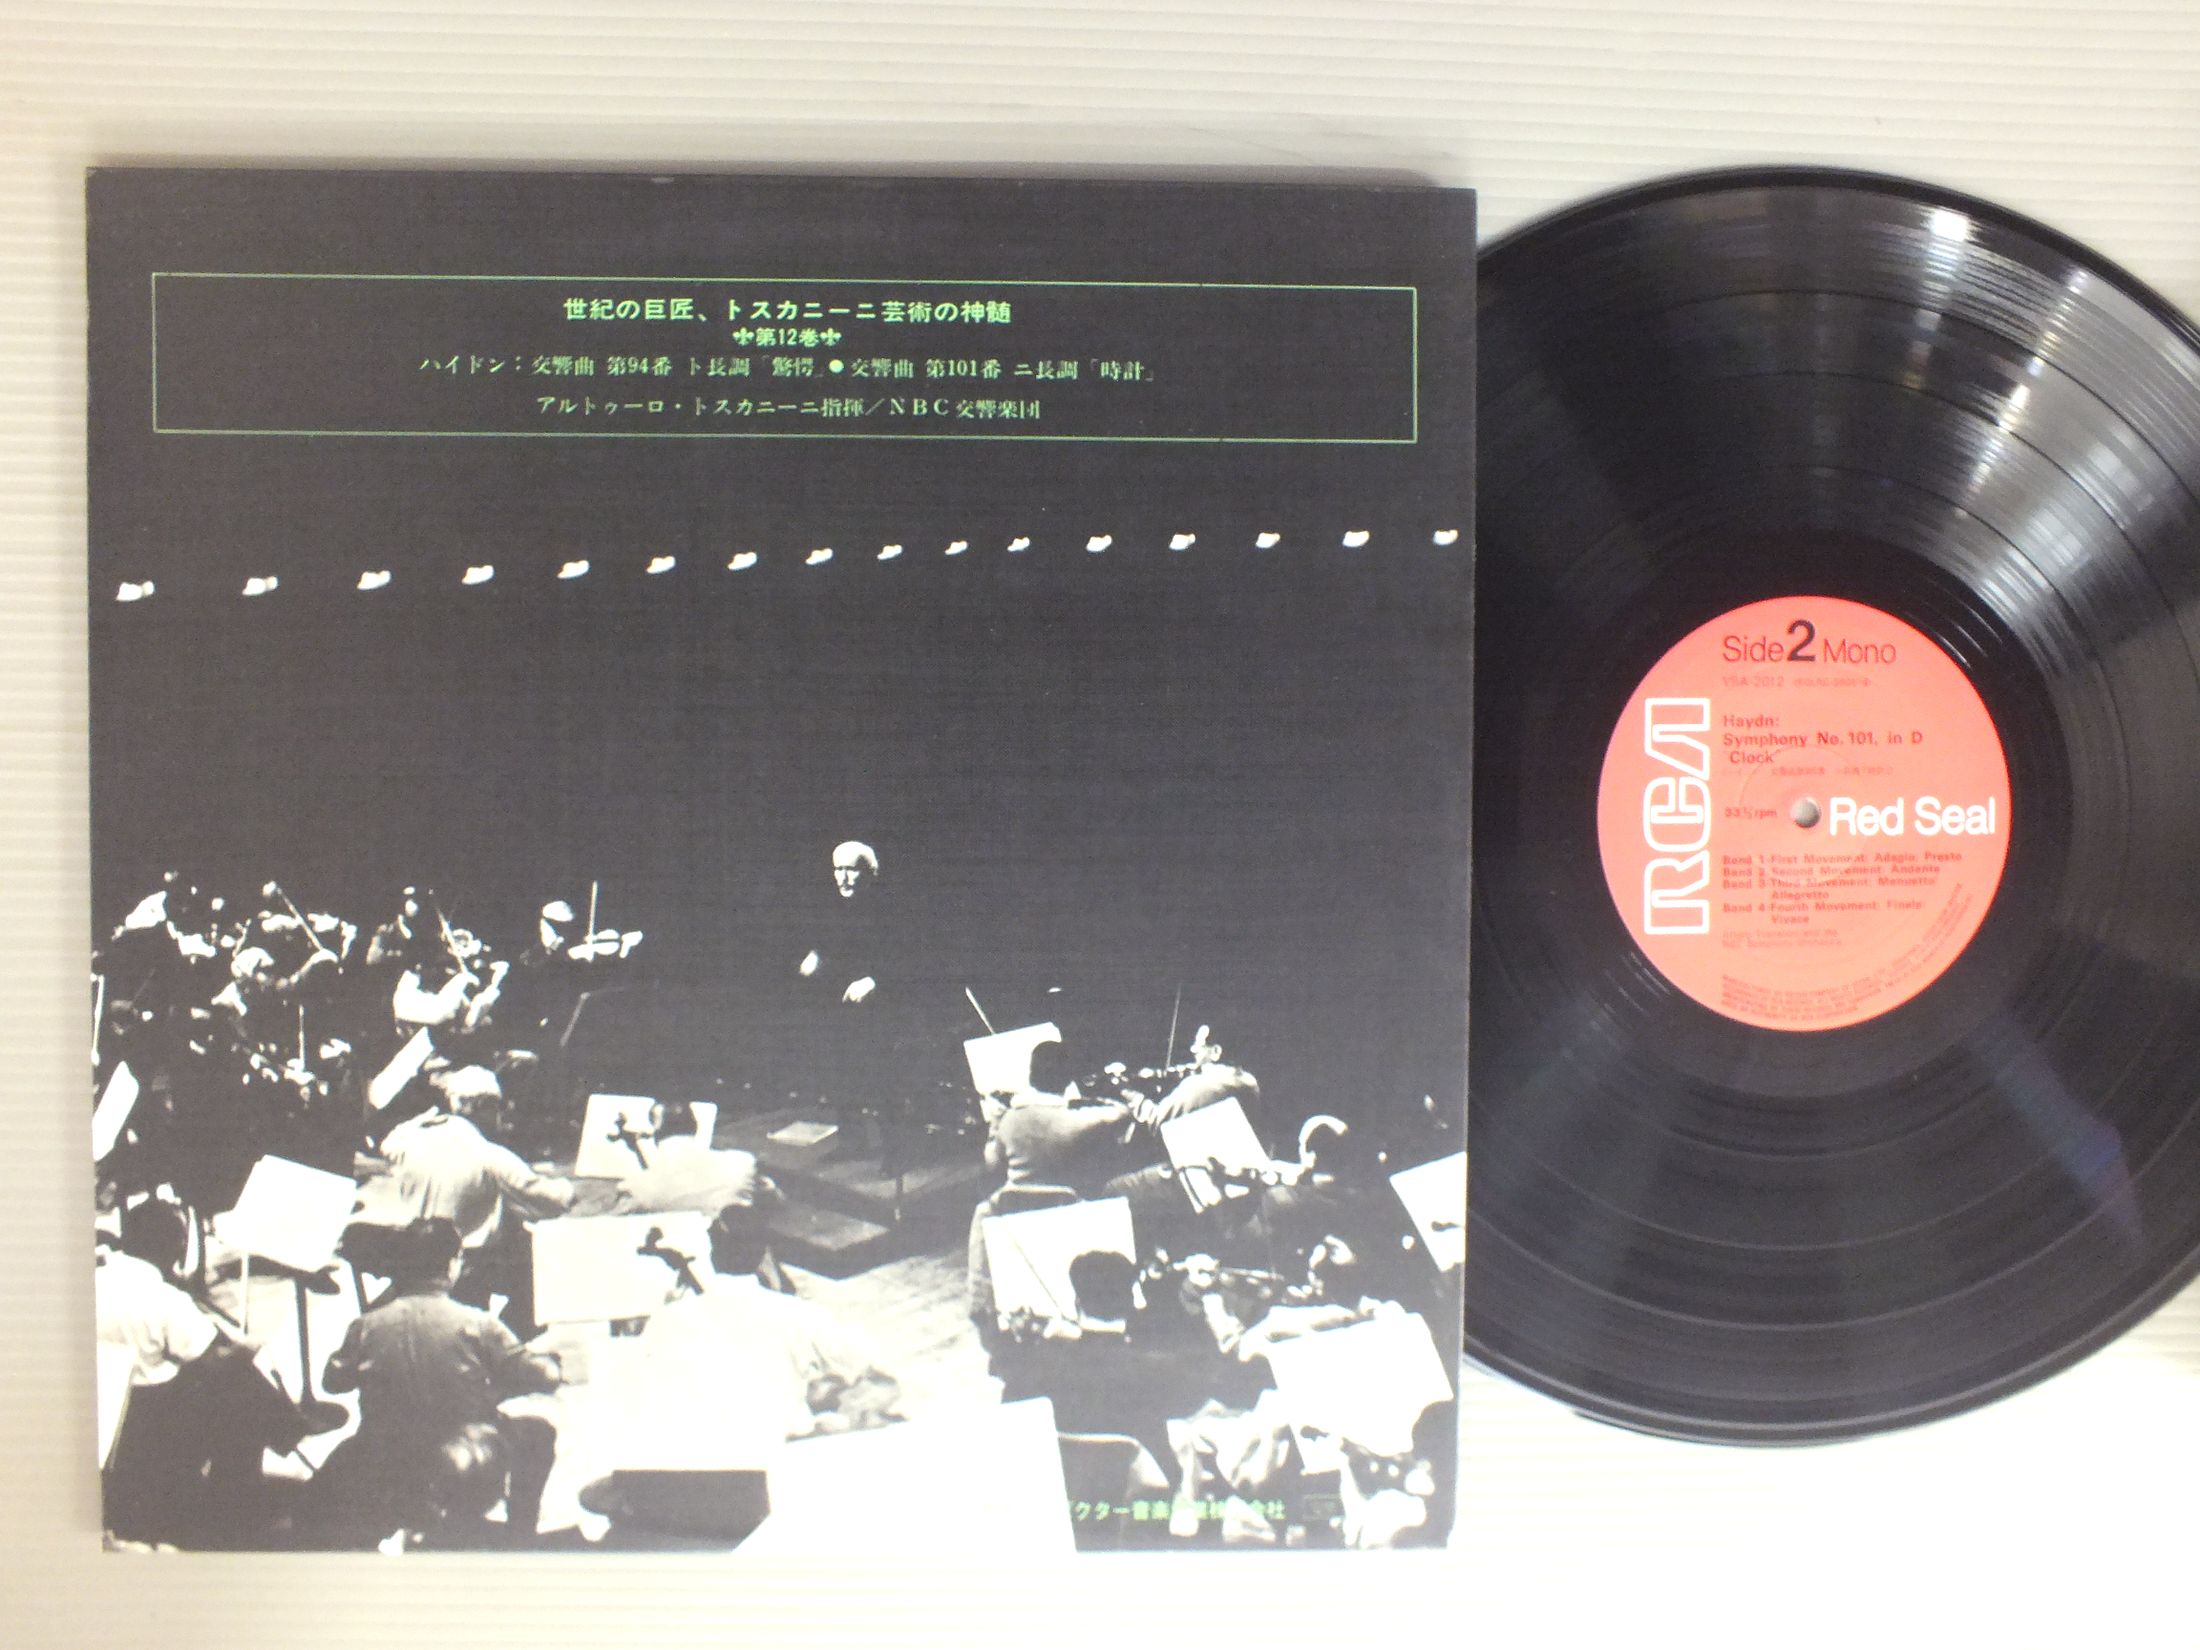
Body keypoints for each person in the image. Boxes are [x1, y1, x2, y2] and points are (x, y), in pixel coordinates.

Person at [96, 1198, 337, 1546]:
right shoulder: (164, 1299)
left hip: (104, 1400)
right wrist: (250, 1345)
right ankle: (235, 1507)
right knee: (239, 1388)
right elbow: (216, 1359)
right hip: (146, 1417)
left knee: (230, 1377)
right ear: (176, 1248)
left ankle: (286, 1428)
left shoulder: (97, 1277)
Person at [319, 1217, 564, 1545]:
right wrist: (549, 1362)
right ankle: (520, 1535)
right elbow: (543, 1377)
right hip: (463, 1448)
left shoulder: (366, 1325)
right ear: (452, 1265)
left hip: (388, 1448)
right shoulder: (478, 1323)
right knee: (539, 1433)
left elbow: (333, 1382)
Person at [629, 1206, 900, 1443]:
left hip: (702, 1452)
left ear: (712, 1255)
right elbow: (873, 1369)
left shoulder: (670, 1317)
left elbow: (643, 1389)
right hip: (781, 1449)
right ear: (762, 1257)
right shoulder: (801, 1314)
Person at [374, 1083, 575, 1332]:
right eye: (497, 1108)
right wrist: (568, 1189)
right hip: (470, 1260)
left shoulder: (405, 1143)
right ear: (481, 1107)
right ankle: (504, 1339)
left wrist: (427, 1118)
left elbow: (388, 1142)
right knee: (542, 1274)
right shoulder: (485, 1153)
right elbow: (549, 1198)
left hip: (420, 1252)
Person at [610, 1098, 772, 1218]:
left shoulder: (636, 1189)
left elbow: (668, 1181)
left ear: (656, 1134)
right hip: (731, 1249)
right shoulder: (742, 1164)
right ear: (695, 1127)